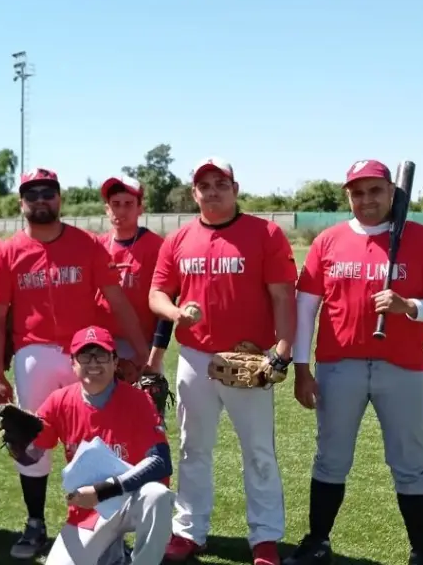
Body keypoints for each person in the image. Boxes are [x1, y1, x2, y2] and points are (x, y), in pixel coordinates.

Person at [283, 160, 423, 565]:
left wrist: (410, 306)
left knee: (410, 462)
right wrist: (301, 368)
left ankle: (422, 553)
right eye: (357, 192)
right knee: (331, 457)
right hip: (337, 366)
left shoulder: (421, 238)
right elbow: (305, 308)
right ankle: (318, 542)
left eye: (375, 191)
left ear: (390, 192)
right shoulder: (327, 241)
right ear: (348, 195)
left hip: (402, 368)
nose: (366, 200)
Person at [0, 167, 150, 559]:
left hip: (86, 354)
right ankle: (36, 522)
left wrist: (141, 351)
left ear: (60, 198)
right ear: (21, 201)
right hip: (33, 354)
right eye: (32, 193)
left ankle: (106, 521)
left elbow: (117, 299)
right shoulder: (7, 251)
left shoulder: (88, 244)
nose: (41, 199)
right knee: (30, 441)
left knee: (98, 439)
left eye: (48, 191)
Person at [149, 157, 297, 565]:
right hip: (195, 356)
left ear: (235, 188)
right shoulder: (178, 239)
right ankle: (189, 530)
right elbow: (157, 293)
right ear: (194, 192)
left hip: (250, 358)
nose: (212, 190)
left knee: (258, 450)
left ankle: (265, 537)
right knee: (193, 447)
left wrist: (281, 352)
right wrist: (175, 313)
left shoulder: (265, 233)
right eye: (204, 184)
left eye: (220, 183)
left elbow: (284, 296)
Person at [15, 325, 175, 565]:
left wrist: (104, 490)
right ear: (73, 362)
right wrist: (20, 445)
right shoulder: (59, 402)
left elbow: (161, 462)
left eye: (101, 355)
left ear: (114, 361)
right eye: (85, 355)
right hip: (88, 510)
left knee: (158, 496)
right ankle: (112, 555)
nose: (93, 363)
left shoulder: (138, 400)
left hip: (131, 498)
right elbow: (32, 457)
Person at [94, 176, 172, 376]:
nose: (121, 210)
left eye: (128, 204)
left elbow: (166, 304)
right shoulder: (97, 246)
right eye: (115, 204)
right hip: (101, 343)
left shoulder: (157, 246)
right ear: (107, 209)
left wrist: (152, 355)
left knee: (146, 405)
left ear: (140, 208)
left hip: (141, 344)